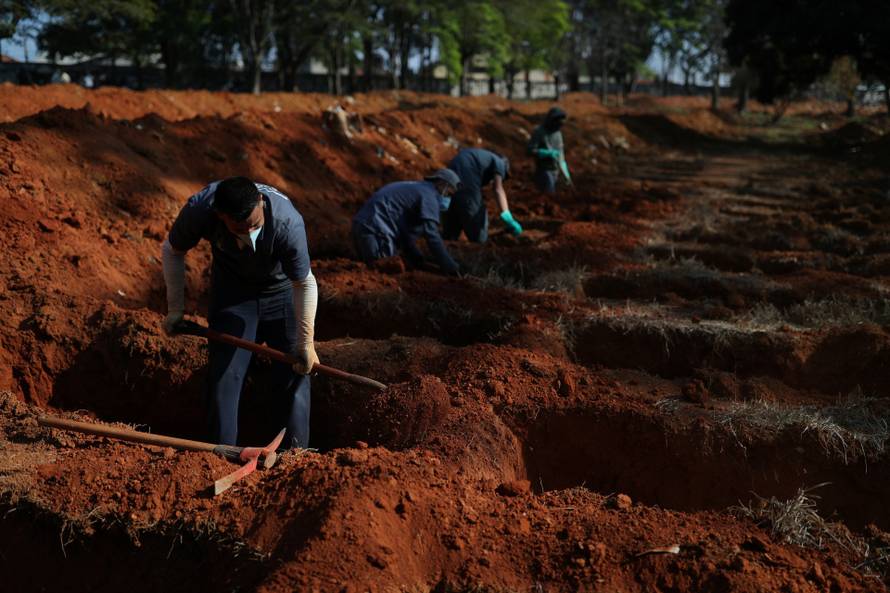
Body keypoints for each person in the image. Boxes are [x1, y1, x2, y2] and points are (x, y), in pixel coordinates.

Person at [161, 177, 318, 449]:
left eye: (255, 225)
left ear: (260, 202)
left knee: (294, 371)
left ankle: (295, 455)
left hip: (280, 291)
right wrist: (175, 309)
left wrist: (306, 342)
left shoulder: (287, 222)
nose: (249, 233)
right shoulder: (201, 210)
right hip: (233, 292)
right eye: (240, 229)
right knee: (226, 373)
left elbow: (304, 282)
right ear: (220, 216)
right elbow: (173, 250)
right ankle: (221, 454)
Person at [352, 169, 461, 275]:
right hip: (377, 231)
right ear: (442, 184)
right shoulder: (429, 196)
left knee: (370, 269)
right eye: (449, 194)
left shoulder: (416, 188)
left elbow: (406, 236)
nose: (448, 199)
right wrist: (450, 266)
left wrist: (417, 258)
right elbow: (432, 236)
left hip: (363, 226)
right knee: (385, 271)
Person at [442, 148, 521, 242]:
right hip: (467, 179)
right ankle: (479, 240)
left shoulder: (481, 157)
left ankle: (450, 236)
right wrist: (508, 217)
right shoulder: (500, 163)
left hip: (449, 178)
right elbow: (498, 189)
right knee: (479, 236)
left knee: (451, 229)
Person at [527, 106, 571, 193]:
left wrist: (566, 174)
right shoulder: (539, 132)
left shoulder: (558, 133)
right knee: (548, 194)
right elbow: (529, 150)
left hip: (555, 170)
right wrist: (545, 153)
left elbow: (561, 155)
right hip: (543, 170)